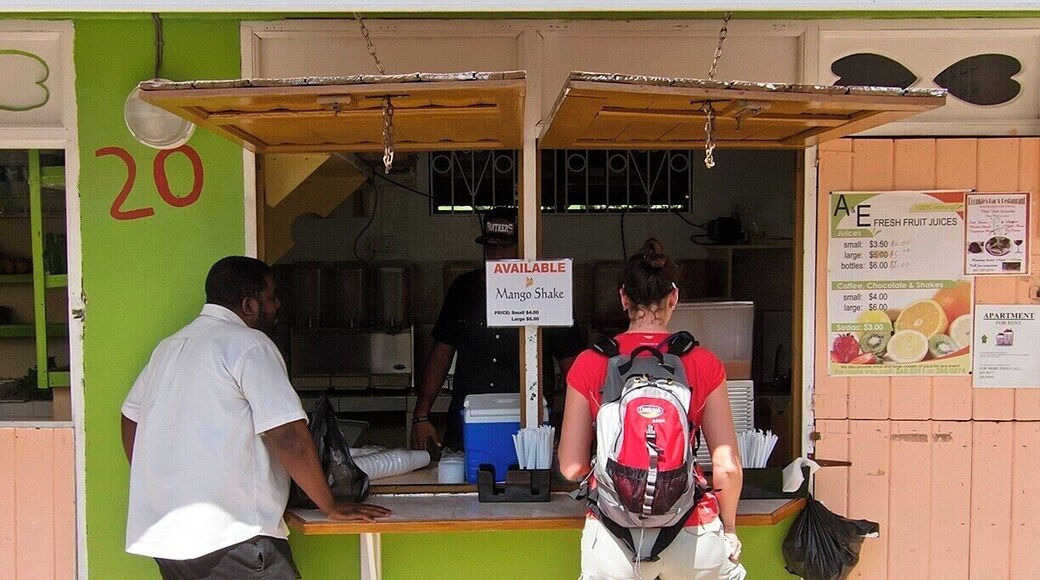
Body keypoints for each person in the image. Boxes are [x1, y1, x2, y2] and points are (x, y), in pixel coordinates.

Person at [121, 256, 391, 579]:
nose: (278, 305)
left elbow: (130, 418)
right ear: (249, 305)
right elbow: (287, 434)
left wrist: (162, 486)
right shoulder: (249, 345)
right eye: (273, 297)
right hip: (234, 538)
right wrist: (330, 505)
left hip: (169, 540)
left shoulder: (168, 348)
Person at [558, 238, 744, 580]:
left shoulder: (590, 363)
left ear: (624, 298)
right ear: (674, 297)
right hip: (692, 530)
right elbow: (726, 466)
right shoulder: (703, 363)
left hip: (612, 534)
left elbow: (571, 467)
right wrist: (729, 528)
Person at [410, 207, 586, 452]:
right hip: (468, 426)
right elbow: (441, 354)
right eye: (491, 248)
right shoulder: (464, 289)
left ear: (525, 247)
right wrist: (421, 415)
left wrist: (572, 430)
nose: (497, 255)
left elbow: (573, 368)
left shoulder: (548, 292)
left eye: (505, 247)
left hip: (529, 430)